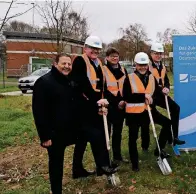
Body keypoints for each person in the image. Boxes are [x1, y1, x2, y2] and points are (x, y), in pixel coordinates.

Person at [32, 54, 82, 194]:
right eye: (63, 63)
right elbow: (39, 112)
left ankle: (78, 170)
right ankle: (56, 191)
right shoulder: (44, 82)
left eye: (69, 64)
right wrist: (45, 136)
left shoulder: (69, 81)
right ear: (55, 64)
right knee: (56, 165)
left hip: (68, 130)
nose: (67, 66)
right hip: (53, 134)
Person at [70, 35, 118, 178]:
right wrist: (97, 101)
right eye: (92, 48)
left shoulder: (98, 64)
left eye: (97, 49)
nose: (95, 51)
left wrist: (107, 100)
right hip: (83, 106)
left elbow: (102, 86)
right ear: (85, 48)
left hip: (95, 104)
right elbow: (82, 84)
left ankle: (80, 169)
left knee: (83, 140)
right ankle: (102, 165)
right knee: (96, 136)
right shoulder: (80, 61)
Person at [123, 52, 171, 172]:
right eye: (140, 65)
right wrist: (143, 96)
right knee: (133, 138)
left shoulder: (151, 77)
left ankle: (159, 149)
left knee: (167, 123)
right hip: (133, 113)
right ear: (136, 64)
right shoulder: (129, 78)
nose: (143, 67)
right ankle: (135, 163)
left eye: (144, 65)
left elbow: (156, 92)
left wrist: (164, 90)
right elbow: (127, 96)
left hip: (149, 111)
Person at [148, 42, 185, 147]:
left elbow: (166, 80)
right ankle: (160, 143)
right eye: (156, 53)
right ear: (151, 54)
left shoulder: (163, 66)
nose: (158, 55)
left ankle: (174, 137)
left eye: (160, 53)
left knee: (176, 108)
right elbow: (151, 84)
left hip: (161, 95)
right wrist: (161, 90)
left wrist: (167, 88)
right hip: (152, 96)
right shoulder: (148, 66)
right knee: (153, 119)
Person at [103, 47, 129, 166]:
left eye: (116, 56)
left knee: (118, 133)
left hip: (121, 105)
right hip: (109, 106)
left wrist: (124, 100)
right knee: (107, 133)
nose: (115, 58)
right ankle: (105, 158)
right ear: (107, 57)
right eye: (112, 56)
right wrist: (115, 102)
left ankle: (117, 156)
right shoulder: (103, 70)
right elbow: (103, 89)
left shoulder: (123, 69)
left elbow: (127, 86)